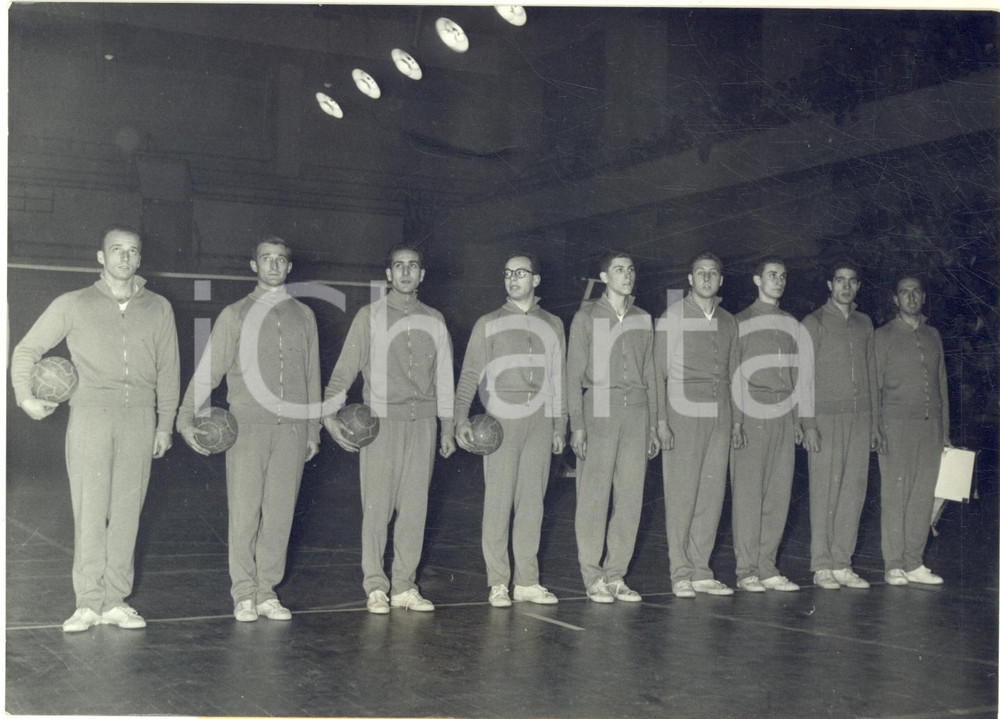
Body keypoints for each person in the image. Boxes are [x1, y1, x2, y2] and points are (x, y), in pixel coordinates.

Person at [11, 225, 180, 632]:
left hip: (140, 418)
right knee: (90, 511)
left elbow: (169, 370)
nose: (125, 257)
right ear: (101, 257)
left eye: (133, 251)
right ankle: (87, 602)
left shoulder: (159, 307)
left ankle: (115, 601)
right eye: (116, 250)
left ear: (140, 258)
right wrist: (24, 396)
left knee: (127, 513)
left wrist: (165, 424)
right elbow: (27, 349)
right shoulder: (73, 303)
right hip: (90, 416)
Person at [177, 236, 321, 622]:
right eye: (266, 258)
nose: (273, 265)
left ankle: (266, 591)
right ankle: (243, 592)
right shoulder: (234, 314)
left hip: (292, 430)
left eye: (280, 259)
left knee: (279, 515)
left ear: (289, 266)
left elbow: (312, 376)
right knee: (244, 513)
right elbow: (209, 370)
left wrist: (313, 429)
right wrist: (185, 416)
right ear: (254, 265)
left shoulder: (304, 315)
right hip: (248, 428)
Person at [323, 244, 455, 615]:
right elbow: (344, 370)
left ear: (422, 275)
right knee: (377, 508)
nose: (406, 272)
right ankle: (376, 586)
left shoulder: (435, 319)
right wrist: (328, 415)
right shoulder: (369, 316)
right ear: (388, 274)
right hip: (381, 425)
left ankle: (404, 586)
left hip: (423, 424)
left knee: (415, 509)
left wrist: (447, 426)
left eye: (413, 266)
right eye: (399, 266)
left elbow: (445, 377)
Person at [455, 252, 567, 607]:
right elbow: (469, 375)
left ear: (536, 280)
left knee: (532, 504)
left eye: (520, 273)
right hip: (502, 419)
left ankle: (527, 582)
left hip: (540, 421)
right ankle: (499, 582)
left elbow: (559, 379)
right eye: (507, 273)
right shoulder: (488, 323)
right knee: (499, 503)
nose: (512, 279)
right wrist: (460, 419)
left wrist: (560, 424)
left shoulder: (554, 324)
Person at [567, 252, 659, 603]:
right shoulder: (586, 316)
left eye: (631, 269)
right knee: (593, 496)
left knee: (630, 498)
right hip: (600, 405)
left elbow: (651, 373)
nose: (627, 275)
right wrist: (578, 425)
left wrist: (654, 424)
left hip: (636, 411)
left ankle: (616, 574)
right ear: (604, 277)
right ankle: (593, 576)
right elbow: (572, 374)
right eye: (619, 270)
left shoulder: (643, 318)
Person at [654, 251, 739, 598]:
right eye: (700, 272)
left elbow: (734, 375)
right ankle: (680, 572)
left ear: (721, 280)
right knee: (682, 495)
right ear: (690, 280)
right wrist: (661, 422)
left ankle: (701, 570)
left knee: (711, 494)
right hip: (683, 413)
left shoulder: (729, 321)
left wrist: (736, 422)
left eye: (713, 273)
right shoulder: (673, 316)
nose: (706, 278)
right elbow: (657, 374)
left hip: (720, 414)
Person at [800, 261, 883, 590]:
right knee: (825, 492)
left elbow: (871, 374)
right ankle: (821, 565)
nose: (845, 287)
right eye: (839, 281)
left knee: (853, 491)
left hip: (859, 420)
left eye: (851, 281)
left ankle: (842, 563)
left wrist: (874, 424)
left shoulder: (865, 323)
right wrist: (808, 423)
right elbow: (803, 377)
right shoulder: (813, 322)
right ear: (829, 285)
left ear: (858, 286)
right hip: (825, 420)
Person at [729, 257, 809, 593]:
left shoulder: (792, 324)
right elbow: (733, 376)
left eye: (783, 276)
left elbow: (797, 376)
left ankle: (767, 566)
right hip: (751, 414)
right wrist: (737, 422)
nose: (778, 281)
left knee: (778, 494)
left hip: (782, 415)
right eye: (772, 275)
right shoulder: (740, 321)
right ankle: (746, 569)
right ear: (757, 280)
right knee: (749, 495)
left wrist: (797, 420)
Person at [875, 276, 949, 586]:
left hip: (931, 427)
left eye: (916, 291)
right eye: (904, 292)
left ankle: (914, 562)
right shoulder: (883, 336)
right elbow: (874, 386)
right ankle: (894, 564)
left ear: (923, 296)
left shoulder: (933, 335)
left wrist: (945, 431)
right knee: (896, 494)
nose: (910, 297)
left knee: (923, 495)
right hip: (895, 425)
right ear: (895, 299)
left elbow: (941, 384)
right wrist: (877, 428)